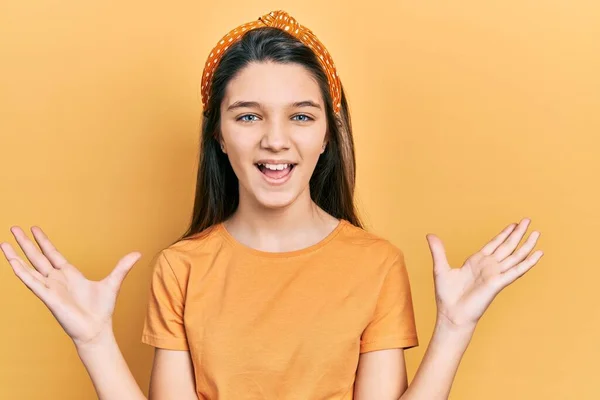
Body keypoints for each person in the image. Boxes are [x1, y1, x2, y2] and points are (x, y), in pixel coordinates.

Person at [0, 10, 543, 400]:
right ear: (218, 134)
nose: (275, 139)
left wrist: (454, 326)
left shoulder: (376, 265)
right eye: (248, 115)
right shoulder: (182, 268)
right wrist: (94, 340)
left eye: (301, 116)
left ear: (329, 135)